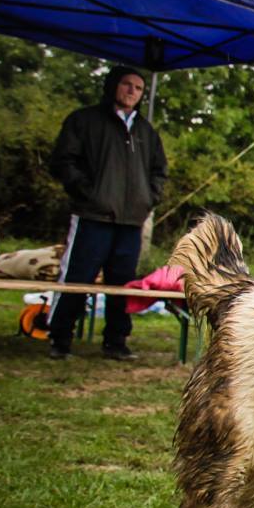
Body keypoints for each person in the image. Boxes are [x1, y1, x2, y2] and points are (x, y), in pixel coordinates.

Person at [46, 64, 167, 361]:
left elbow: (159, 171)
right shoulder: (84, 121)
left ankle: (116, 341)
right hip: (93, 216)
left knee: (123, 282)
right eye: (127, 84)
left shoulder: (146, 132)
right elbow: (63, 160)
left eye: (138, 88)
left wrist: (147, 199)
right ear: (113, 85)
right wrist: (88, 193)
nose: (132, 91)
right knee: (78, 277)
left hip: (131, 220)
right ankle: (60, 338)